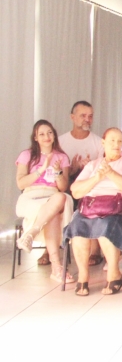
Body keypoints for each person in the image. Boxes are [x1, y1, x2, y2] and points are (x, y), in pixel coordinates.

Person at [64, 128, 122, 296]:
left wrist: (111, 173)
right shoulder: (93, 165)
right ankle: (83, 278)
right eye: (112, 141)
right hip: (92, 206)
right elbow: (76, 191)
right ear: (103, 143)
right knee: (77, 225)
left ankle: (114, 274)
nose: (116, 145)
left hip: (121, 208)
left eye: (119, 141)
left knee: (106, 224)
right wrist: (96, 178)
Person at [15, 120, 74, 282]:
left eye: (49, 132)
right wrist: (41, 169)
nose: (46, 137)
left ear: (54, 135)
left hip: (53, 195)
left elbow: (63, 187)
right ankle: (56, 268)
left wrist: (57, 173)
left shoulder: (61, 157)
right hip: (31, 196)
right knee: (53, 213)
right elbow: (20, 183)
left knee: (61, 198)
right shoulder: (27, 155)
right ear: (35, 137)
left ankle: (31, 234)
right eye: (41, 134)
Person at [57, 100, 105, 267]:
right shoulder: (60, 141)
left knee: (97, 199)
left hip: (91, 186)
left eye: (90, 116)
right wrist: (73, 168)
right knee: (55, 199)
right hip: (65, 184)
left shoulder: (99, 142)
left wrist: (89, 167)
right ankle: (51, 249)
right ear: (72, 117)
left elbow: (102, 171)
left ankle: (95, 250)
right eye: (83, 116)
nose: (87, 119)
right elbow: (56, 172)